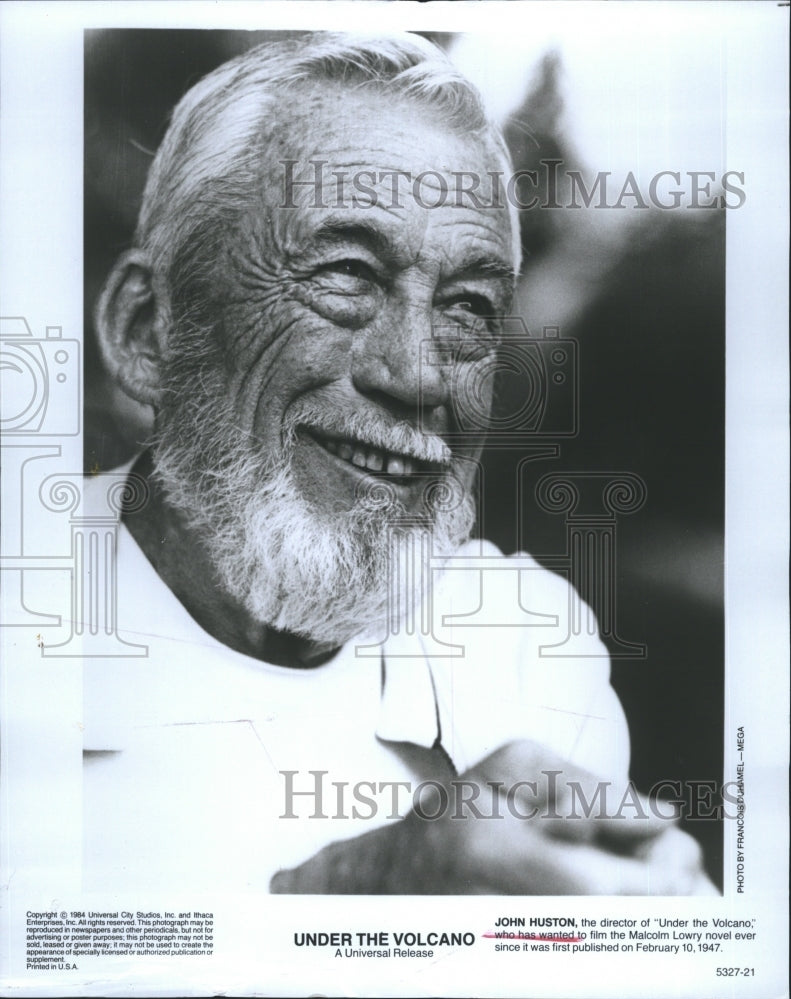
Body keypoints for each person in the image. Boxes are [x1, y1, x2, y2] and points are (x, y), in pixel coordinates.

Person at [87, 31, 714, 894]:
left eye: (466, 307)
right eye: (345, 275)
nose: (417, 372)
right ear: (147, 333)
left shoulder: (519, 639)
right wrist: (349, 904)